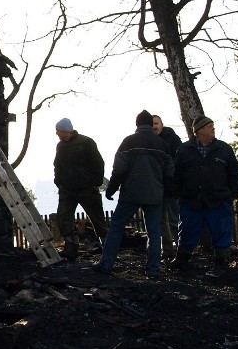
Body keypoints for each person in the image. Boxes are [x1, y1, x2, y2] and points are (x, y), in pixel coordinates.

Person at [95, 110, 173, 278]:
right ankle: (152, 269)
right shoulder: (162, 145)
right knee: (154, 232)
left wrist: (111, 189)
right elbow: (169, 173)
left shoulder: (128, 142)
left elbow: (119, 170)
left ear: (137, 124)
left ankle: (106, 264)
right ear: (150, 125)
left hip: (131, 194)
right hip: (154, 195)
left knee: (116, 228)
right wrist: (166, 193)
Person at [170, 115, 238, 277]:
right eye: (210, 126)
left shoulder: (224, 149)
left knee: (221, 231)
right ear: (199, 130)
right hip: (191, 199)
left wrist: (232, 194)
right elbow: (177, 174)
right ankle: (181, 261)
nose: (213, 129)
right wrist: (178, 193)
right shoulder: (184, 149)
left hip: (218, 200)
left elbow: (235, 174)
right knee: (187, 230)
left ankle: (221, 264)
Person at [53, 117, 108, 260]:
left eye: (58, 131)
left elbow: (98, 163)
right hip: (67, 189)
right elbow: (57, 165)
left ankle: (108, 247)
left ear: (66, 131)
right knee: (64, 217)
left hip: (86, 188)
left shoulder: (86, 143)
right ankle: (71, 247)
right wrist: (59, 181)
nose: (57, 134)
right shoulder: (60, 146)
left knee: (97, 218)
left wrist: (94, 182)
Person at [152, 114, 182, 259]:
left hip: (171, 186)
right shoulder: (149, 141)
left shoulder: (173, 139)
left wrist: (174, 181)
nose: (154, 126)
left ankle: (181, 249)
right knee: (161, 221)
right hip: (157, 187)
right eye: (152, 124)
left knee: (174, 220)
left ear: (162, 124)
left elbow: (180, 161)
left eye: (156, 123)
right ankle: (168, 249)